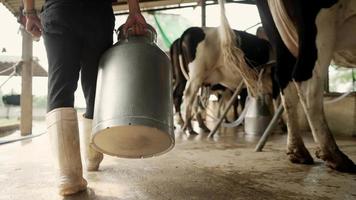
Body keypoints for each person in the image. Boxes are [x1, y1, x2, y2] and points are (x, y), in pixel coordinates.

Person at [22, 0, 148, 196]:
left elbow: (31, 12)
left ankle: (68, 177)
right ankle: (93, 157)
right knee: (95, 86)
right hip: (97, 12)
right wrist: (134, 10)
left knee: (61, 85)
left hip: (59, 10)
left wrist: (29, 12)